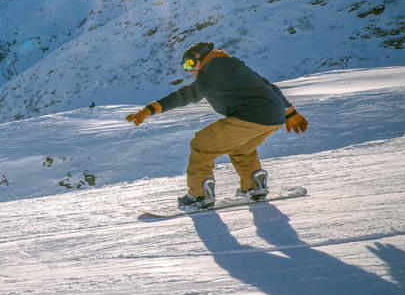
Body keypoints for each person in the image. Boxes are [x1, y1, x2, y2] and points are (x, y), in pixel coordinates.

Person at [125, 41, 308, 210]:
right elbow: (269, 86)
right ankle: (253, 187)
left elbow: (186, 95)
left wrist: (150, 109)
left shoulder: (211, 71)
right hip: (273, 117)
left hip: (251, 116)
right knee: (241, 149)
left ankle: (199, 196)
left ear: (200, 57)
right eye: (184, 67)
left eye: (189, 64)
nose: (188, 71)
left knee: (201, 145)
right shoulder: (234, 66)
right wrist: (290, 112)